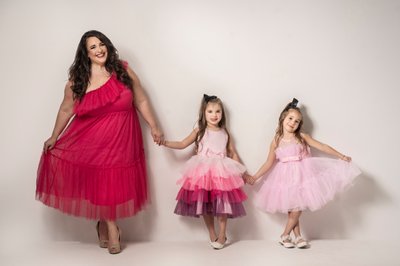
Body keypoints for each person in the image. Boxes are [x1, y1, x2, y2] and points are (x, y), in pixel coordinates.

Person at [36, 30, 163, 254]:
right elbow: (66, 109)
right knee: (102, 182)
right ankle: (113, 227)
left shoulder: (122, 69)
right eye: (93, 47)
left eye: (101, 44)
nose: (99, 49)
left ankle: (103, 223)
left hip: (123, 138)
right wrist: (54, 135)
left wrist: (154, 126)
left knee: (112, 183)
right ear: (85, 53)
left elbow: (141, 98)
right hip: (92, 141)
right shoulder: (78, 82)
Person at [248, 98, 361, 249]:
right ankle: (298, 237)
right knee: (293, 209)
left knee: (296, 210)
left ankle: (285, 235)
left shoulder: (302, 137)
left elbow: (322, 146)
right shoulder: (276, 140)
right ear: (283, 118)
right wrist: (255, 176)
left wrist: (340, 156)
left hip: (301, 177)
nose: (292, 123)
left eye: (296, 121)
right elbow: (269, 162)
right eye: (290, 118)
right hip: (284, 178)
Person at [162, 94, 247, 249]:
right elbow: (182, 143)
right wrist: (165, 142)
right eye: (210, 111)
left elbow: (233, 153)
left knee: (223, 204)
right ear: (204, 112)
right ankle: (212, 232)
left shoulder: (225, 132)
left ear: (222, 114)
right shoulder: (200, 130)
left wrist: (243, 171)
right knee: (205, 203)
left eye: (217, 111)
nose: (214, 115)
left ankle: (222, 234)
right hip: (202, 172)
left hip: (221, 172)